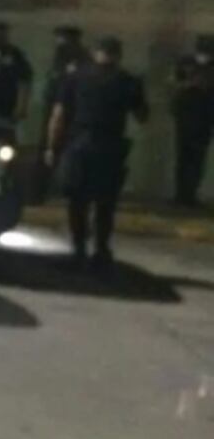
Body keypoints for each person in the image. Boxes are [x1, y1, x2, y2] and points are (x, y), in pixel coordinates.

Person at [46, 37, 149, 272]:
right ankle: (101, 251)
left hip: (80, 144)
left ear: (95, 53)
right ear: (119, 55)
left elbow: (58, 115)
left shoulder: (75, 77)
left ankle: (79, 249)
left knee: (77, 201)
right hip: (110, 148)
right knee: (106, 203)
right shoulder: (128, 81)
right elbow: (143, 116)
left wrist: (51, 147)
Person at [34, 26, 89, 201]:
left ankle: (63, 187)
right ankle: (46, 188)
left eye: (63, 38)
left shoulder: (79, 60)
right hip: (56, 106)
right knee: (50, 147)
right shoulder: (60, 59)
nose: (59, 42)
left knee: (64, 149)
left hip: (70, 110)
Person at [170, 35, 214, 207]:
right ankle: (182, 194)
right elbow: (173, 83)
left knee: (196, 158)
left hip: (204, 117)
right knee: (184, 157)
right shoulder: (185, 62)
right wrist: (188, 85)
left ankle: (189, 194)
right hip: (186, 116)